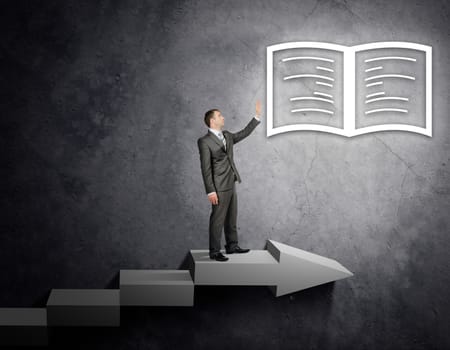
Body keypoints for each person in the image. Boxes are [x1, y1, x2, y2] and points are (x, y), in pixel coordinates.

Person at [197, 101, 262, 261]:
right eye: (220, 116)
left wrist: (256, 117)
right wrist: (210, 190)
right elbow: (205, 168)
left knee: (232, 217)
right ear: (212, 121)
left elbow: (243, 133)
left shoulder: (227, 135)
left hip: (231, 182)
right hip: (218, 187)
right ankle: (214, 252)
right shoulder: (204, 141)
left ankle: (232, 246)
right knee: (217, 220)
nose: (223, 117)